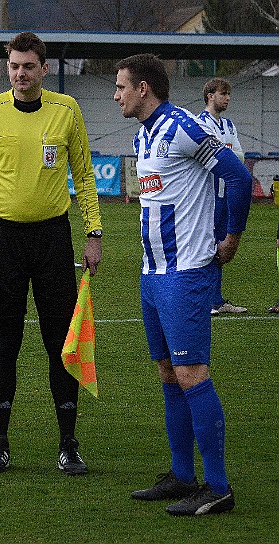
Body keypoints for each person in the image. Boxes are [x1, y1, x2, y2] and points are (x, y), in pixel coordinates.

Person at [0, 32, 103, 477]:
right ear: (8, 68)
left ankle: (68, 444)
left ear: (43, 69)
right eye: (14, 66)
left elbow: (85, 175)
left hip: (53, 239)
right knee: (6, 343)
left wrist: (93, 233)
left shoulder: (66, 109)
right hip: (5, 240)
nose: (20, 73)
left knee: (60, 343)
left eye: (29, 66)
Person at [115, 53, 251, 516]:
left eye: (121, 87)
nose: (116, 95)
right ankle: (182, 474)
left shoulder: (183, 127)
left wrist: (232, 236)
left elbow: (237, 175)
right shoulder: (144, 135)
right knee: (169, 374)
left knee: (193, 374)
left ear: (144, 89)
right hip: (152, 274)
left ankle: (218, 486)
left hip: (187, 273)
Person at [197, 78, 247, 316]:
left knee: (222, 243)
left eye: (229, 94)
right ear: (210, 96)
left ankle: (216, 299)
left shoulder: (228, 125)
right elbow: (209, 158)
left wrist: (224, 153)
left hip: (227, 192)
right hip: (208, 195)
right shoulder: (201, 123)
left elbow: (239, 156)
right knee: (206, 245)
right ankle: (206, 299)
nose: (227, 98)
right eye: (223, 93)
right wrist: (226, 154)